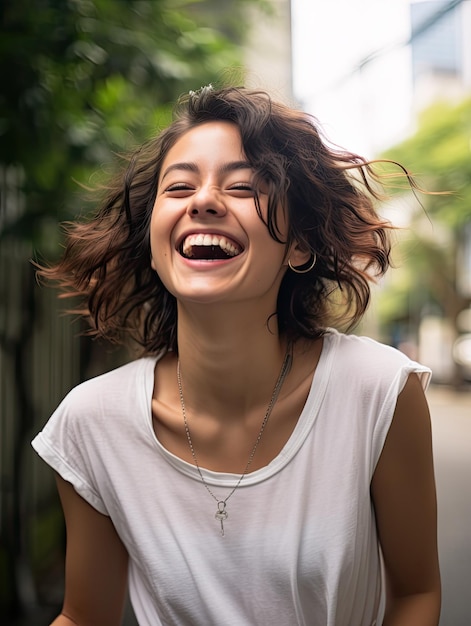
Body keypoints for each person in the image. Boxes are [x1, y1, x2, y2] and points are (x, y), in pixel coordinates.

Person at [32, 85, 441, 626]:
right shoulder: (91, 422)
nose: (203, 200)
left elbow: (415, 594)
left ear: (297, 244)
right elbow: (85, 616)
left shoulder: (379, 392)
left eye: (244, 187)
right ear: (153, 240)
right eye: (178, 186)